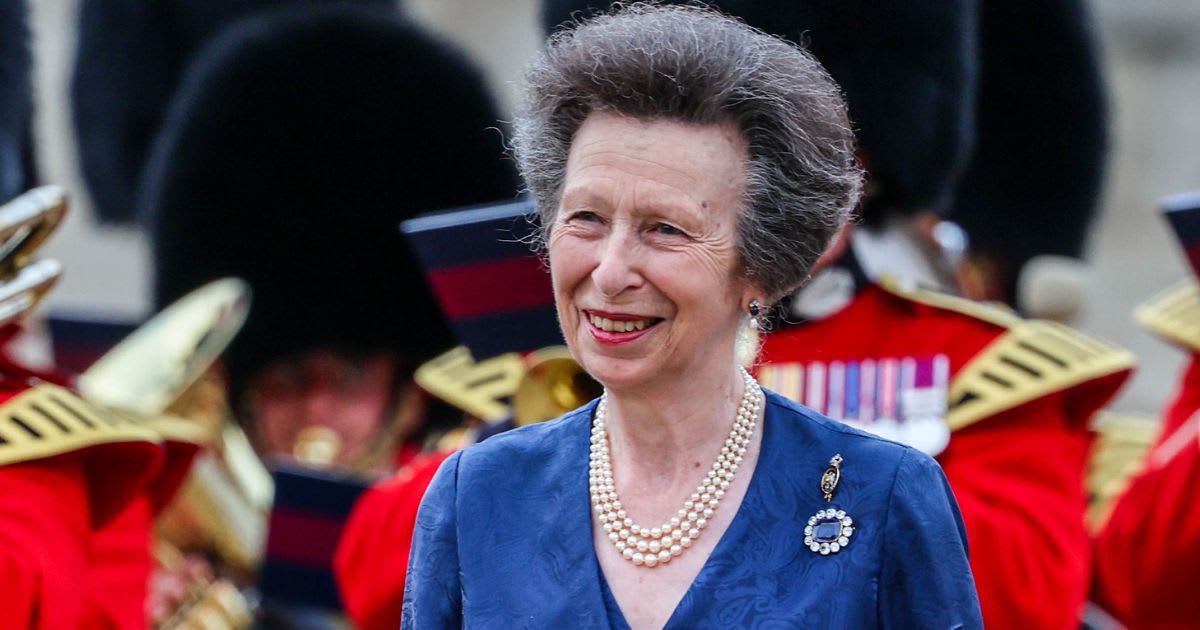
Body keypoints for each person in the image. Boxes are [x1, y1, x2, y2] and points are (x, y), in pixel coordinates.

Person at [403, 5, 982, 628]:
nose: (610, 270)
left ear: (761, 266)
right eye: (586, 218)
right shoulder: (479, 491)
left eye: (665, 229)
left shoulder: (885, 495)